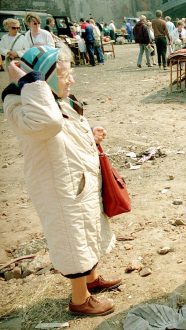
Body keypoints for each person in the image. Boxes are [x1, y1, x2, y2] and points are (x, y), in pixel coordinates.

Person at [3, 43, 121, 316]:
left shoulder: (54, 97)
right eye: (65, 74)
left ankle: (91, 281)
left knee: (86, 229)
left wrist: (89, 133)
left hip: (76, 180)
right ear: (41, 78)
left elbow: (64, 128)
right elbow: (49, 124)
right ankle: (80, 300)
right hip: (59, 185)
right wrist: (30, 81)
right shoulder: (20, 100)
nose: (71, 79)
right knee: (71, 237)